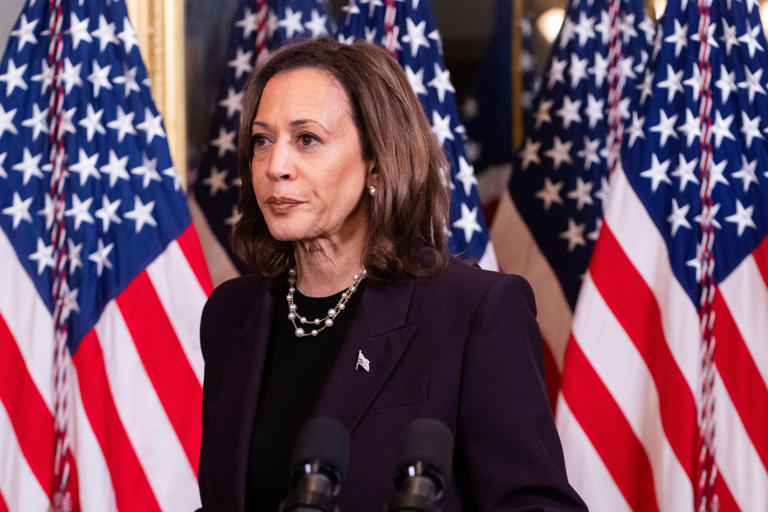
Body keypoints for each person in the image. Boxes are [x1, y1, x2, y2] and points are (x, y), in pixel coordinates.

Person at [197, 38, 587, 512]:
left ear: (377, 164)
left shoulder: (471, 311)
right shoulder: (232, 314)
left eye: (307, 140)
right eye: (262, 140)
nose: (276, 167)